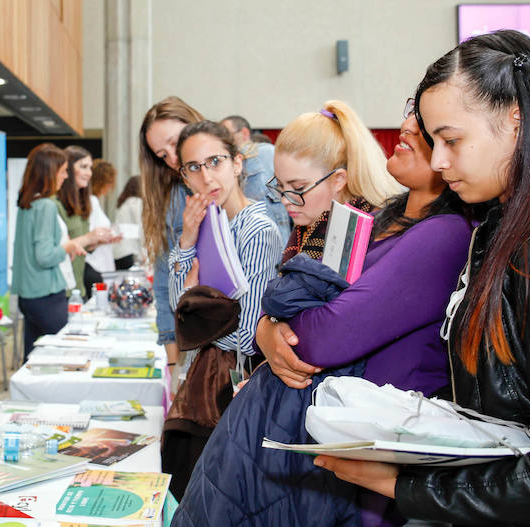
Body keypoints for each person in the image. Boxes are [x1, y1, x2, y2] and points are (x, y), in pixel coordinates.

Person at [315, 30, 530, 526]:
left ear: (516, 121)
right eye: (433, 141)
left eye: (451, 140)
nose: (439, 162)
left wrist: (403, 485)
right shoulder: (499, 230)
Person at [172, 99, 474, 527]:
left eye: (432, 134)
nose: (406, 129)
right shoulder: (382, 219)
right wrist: (265, 327)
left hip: (356, 444)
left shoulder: (440, 231)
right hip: (325, 430)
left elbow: (323, 334)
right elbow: (304, 310)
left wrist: (268, 328)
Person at [163, 120, 282, 500]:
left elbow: (249, 337)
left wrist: (194, 309)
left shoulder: (256, 229)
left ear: (237, 163)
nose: (206, 175)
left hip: (233, 390)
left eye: (214, 161)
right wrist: (185, 239)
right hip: (201, 379)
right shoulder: (208, 221)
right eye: (193, 167)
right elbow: (175, 308)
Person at [139, 96, 204, 381]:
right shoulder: (175, 199)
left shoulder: (253, 170)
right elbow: (165, 281)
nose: (173, 158)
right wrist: (173, 367)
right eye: (162, 155)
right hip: (203, 344)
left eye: (174, 142)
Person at [11, 143, 84, 360]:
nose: (64, 177)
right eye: (62, 172)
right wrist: (68, 247)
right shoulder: (45, 206)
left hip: (28, 295)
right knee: (65, 356)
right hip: (46, 294)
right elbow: (44, 256)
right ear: (50, 173)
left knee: (33, 359)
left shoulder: (28, 204)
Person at [54, 145, 119, 297]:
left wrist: (98, 240)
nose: (88, 173)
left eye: (90, 168)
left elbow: (83, 247)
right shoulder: (55, 204)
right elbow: (55, 250)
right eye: (83, 167)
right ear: (67, 169)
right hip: (61, 288)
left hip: (78, 285)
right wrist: (90, 237)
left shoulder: (82, 203)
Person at [221, 114, 291, 246]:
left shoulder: (268, 154)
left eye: (227, 136)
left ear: (245, 133)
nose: (223, 141)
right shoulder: (271, 153)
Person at [83, 158, 119, 297]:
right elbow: (90, 237)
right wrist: (106, 238)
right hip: (95, 264)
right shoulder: (91, 202)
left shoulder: (93, 201)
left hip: (97, 263)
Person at [113, 175, 145, 270]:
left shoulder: (123, 204)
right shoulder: (136, 202)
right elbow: (141, 227)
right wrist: (145, 252)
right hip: (130, 251)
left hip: (117, 252)